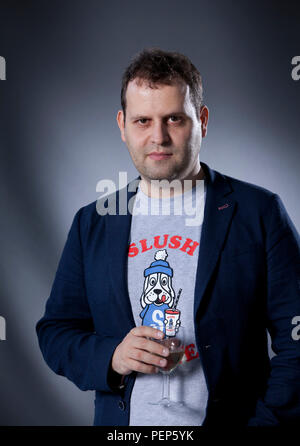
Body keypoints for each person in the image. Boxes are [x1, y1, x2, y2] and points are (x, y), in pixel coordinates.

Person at [36, 48, 300, 426]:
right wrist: (112, 356)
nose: (158, 137)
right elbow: (56, 332)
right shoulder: (92, 223)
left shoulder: (258, 213)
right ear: (122, 125)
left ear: (202, 121)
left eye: (174, 119)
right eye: (143, 120)